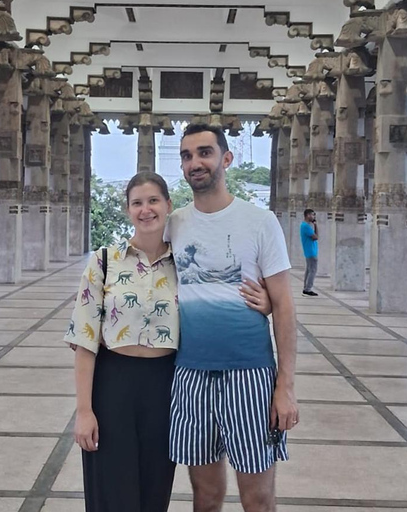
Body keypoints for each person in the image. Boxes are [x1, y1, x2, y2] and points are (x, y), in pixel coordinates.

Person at [64, 172, 271, 512]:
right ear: (127, 210)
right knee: (111, 489)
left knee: (153, 490)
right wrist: (84, 411)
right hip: (112, 383)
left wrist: (266, 303)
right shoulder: (103, 261)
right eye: (137, 203)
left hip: (166, 384)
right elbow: (85, 342)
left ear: (168, 206)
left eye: (153, 201)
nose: (146, 210)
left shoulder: (186, 264)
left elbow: (223, 292)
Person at [167, 124, 299, 512]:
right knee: (205, 497)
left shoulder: (259, 222)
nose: (196, 163)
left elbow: (285, 306)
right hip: (190, 375)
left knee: (257, 498)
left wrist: (285, 387)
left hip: (251, 375)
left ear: (226, 158)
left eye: (205, 153)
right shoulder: (173, 224)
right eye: (187, 156)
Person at [300, 209, 319, 297]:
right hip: (311, 251)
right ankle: (308, 289)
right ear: (307, 215)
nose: (313, 217)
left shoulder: (304, 225)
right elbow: (316, 237)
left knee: (308, 270)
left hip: (310, 251)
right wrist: (315, 225)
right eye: (312, 215)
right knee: (313, 270)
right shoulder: (306, 226)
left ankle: (305, 288)